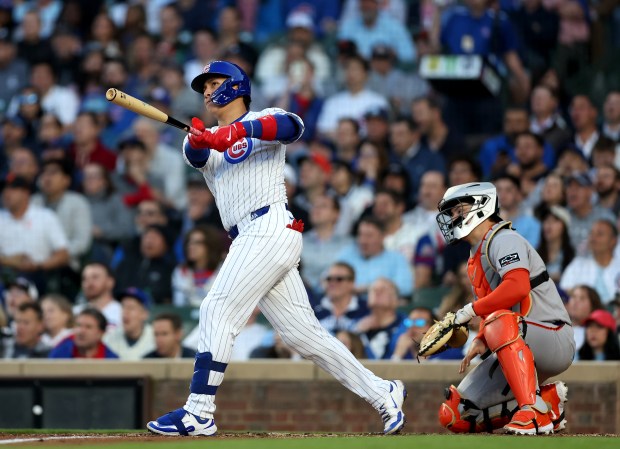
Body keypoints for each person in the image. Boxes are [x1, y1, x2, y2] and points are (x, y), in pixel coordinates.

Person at [146, 60, 407, 437]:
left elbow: (292, 127)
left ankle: (199, 411)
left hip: (270, 225)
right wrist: (205, 138)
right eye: (202, 85)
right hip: (248, 238)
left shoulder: (265, 117)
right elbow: (197, 153)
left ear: (234, 86)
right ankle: (384, 393)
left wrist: (235, 131)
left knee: (216, 307)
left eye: (213, 82)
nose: (205, 90)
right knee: (305, 337)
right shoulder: (199, 140)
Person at [434, 182, 574, 435]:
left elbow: (517, 288)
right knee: (455, 415)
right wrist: (481, 338)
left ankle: (533, 411)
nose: (453, 217)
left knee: (498, 321)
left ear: (480, 206)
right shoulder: (475, 255)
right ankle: (548, 402)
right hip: (520, 339)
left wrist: (469, 310)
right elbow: (497, 304)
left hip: (553, 335)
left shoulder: (504, 238)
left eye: (458, 210)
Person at [559, 219, 620, 305]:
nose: (593, 238)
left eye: (600, 234)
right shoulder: (578, 264)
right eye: (591, 233)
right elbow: (563, 293)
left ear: (613, 241)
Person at [172, 225, 224, 308]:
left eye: (198, 243)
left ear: (210, 245)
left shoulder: (224, 270)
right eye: (189, 242)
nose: (191, 247)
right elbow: (179, 304)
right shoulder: (181, 271)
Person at [312, 262, 369, 335]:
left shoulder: (366, 309)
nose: (332, 283)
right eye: (329, 279)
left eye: (339, 279)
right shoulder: (312, 308)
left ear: (352, 283)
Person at [103, 287, 155, 360]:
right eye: (123, 307)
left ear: (145, 314)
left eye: (131, 308)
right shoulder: (110, 338)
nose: (125, 312)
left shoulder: (155, 337)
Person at [49, 308, 118, 359]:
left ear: (101, 333)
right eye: (78, 325)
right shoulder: (60, 353)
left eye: (88, 327)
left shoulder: (111, 360)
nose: (81, 331)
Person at [536, 206, 575, 283]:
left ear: (564, 227)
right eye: (546, 220)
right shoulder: (535, 254)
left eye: (554, 221)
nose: (548, 224)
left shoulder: (570, 255)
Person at [565, 285, 604, 352]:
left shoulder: (597, 333)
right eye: (573, 297)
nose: (575, 301)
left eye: (582, 298)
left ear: (593, 306)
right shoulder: (557, 329)